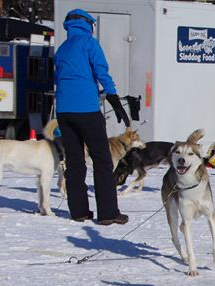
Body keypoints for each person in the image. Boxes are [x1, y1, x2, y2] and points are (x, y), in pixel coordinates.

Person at [54, 8, 130, 224]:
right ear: (88, 25)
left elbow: (58, 78)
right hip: (86, 109)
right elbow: (101, 72)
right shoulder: (89, 43)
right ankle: (108, 213)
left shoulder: (62, 49)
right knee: (102, 160)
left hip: (64, 111)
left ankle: (79, 211)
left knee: (75, 160)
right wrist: (114, 99)